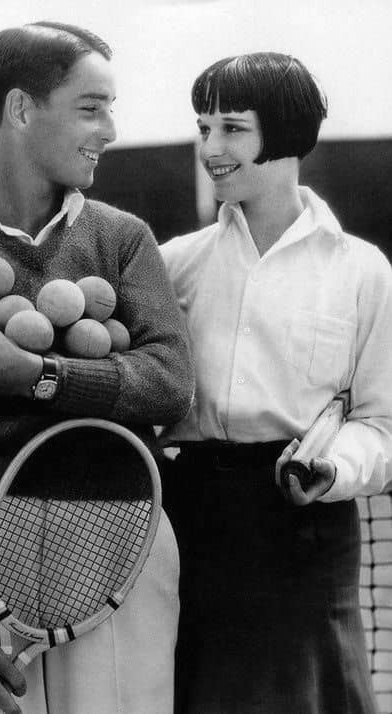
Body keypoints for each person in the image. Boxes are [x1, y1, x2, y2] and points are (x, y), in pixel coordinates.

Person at [0, 22, 193, 714]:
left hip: (123, 533)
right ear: (22, 110)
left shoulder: (123, 240)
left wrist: (35, 374)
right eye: (92, 107)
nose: (111, 129)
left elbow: (172, 385)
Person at [159, 52, 392, 714]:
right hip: (195, 528)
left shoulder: (363, 271)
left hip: (307, 538)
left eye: (233, 128)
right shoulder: (174, 265)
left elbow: (381, 425)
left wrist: (335, 468)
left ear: (286, 132)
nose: (212, 148)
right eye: (204, 128)